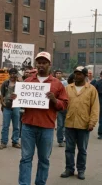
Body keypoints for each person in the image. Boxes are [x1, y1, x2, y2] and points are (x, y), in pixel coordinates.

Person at [18, 52, 68, 185]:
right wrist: (15, 100)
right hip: (28, 125)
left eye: (44, 62)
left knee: (44, 160)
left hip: (47, 127)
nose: (41, 65)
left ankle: (40, 182)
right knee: (25, 159)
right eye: (39, 62)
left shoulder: (57, 84)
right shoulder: (28, 81)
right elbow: (21, 102)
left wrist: (54, 100)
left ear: (49, 65)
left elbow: (64, 105)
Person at [60, 66, 99, 180]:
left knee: (82, 149)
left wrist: (92, 122)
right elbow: (63, 103)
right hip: (70, 123)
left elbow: (95, 108)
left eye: (80, 74)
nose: (77, 76)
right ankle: (69, 169)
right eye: (76, 73)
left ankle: (81, 170)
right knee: (69, 148)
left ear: (85, 76)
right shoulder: (68, 88)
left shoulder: (91, 89)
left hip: (84, 124)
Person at [0, 68, 21, 150]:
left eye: (14, 73)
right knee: (5, 126)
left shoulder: (20, 84)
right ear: (9, 74)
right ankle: (3, 142)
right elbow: (1, 94)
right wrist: (2, 102)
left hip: (16, 107)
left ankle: (15, 141)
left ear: (17, 74)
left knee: (16, 126)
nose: (13, 75)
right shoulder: (5, 83)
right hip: (7, 107)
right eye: (11, 73)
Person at [55, 70, 69, 147]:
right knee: (60, 124)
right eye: (57, 73)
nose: (58, 74)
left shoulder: (65, 83)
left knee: (66, 124)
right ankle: (60, 140)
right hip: (59, 107)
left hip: (66, 105)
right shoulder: (53, 82)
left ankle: (66, 138)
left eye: (59, 73)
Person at [93, 71, 102, 140]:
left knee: (101, 118)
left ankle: (100, 133)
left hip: (100, 102)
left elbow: (94, 92)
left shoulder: (97, 82)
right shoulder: (97, 82)